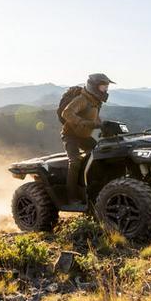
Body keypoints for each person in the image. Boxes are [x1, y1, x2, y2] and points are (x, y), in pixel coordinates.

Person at [60, 73, 115, 205]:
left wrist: (104, 127)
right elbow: (66, 113)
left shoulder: (95, 102)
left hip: (84, 137)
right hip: (71, 135)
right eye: (103, 87)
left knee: (101, 156)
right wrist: (82, 122)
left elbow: (94, 119)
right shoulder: (82, 99)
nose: (106, 90)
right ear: (94, 87)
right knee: (75, 162)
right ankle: (71, 197)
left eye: (106, 87)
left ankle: (97, 190)